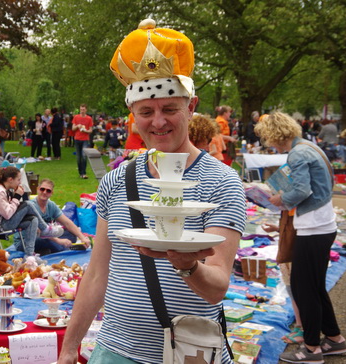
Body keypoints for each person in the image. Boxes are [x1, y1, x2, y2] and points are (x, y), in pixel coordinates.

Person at [58, 19, 246, 364]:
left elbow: (218, 285)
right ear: (133, 115)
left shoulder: (223, 182)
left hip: (188, 354)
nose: (158, 122)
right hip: (114, 350)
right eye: (146, 111)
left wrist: (188, 265)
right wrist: (69, 348)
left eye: (170, 108)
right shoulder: (115, 181)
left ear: (191, 107)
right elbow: (98, 272)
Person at [255, 112, 346, 363]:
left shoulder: (298, 153)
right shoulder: (308, 147)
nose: (268, 143)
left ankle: (312, 349)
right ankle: (334, 339)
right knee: (315, 287)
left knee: (303, 288)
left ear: (274, 134)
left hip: (313, 228)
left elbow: (301, 189)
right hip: (321, 225)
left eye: (267, 138)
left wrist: (277, 200)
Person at [0, 166, 63, 263]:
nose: (20, 183)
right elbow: (8, 214)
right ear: (10, 180)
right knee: (27, 204)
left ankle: (29, 256)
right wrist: (17, 196)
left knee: (33, 219)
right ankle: (46, 229)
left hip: (2, 221)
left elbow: (11, 210)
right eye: (18, 180)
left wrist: (16, 198)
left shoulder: (6, 190)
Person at [15, 179, 91, 255]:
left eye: (48, 191)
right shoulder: (31, 206)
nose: (44, 192)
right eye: (42, 189)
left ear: (51, 193)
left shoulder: (51, 205)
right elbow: (39, 232)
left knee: (71, 234)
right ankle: (60, 248)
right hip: (27, 241)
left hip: (46, 236)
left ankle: (47, 250)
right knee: (47, 240)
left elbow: (67, 223)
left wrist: (82, 237)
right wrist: (59, 241)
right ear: (38, 189)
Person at [71, 104, 93, 179]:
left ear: (86, 110)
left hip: (85, 139)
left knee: (84, 156)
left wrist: (86, 130)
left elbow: (90, 130)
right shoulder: (76, 117)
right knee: (78, 157)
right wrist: (77, 126)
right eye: (81, 109)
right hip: (77, 139)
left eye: (83, 109)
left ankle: (84, 173)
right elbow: (73, 128)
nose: (82, 111)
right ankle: (80, 172)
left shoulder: (89, 118)